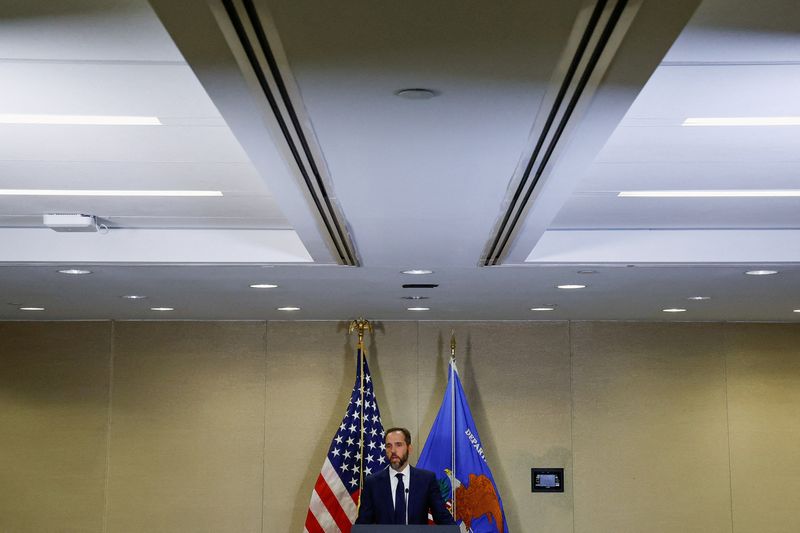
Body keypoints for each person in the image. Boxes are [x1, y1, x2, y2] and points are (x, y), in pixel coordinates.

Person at [356, 427, 455, 525]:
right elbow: (363, 524)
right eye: (388, 446)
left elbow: (443, 518)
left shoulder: (426, 480)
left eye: (398, 445)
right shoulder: (372, 483)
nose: (393, 450)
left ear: (409, 448)